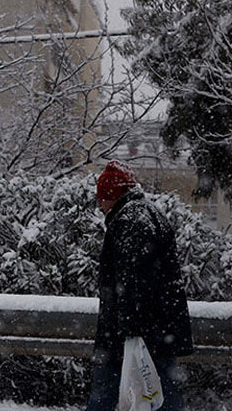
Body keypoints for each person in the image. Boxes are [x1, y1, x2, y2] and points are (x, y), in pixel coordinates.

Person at [86, 160, 194, 411]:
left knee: (106, 393)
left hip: (133, 333)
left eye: (102, 198)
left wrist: (131, 331)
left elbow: (134, 281)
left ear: (113, 195)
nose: (100, 205)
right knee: (163, 394)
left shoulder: (129, 220)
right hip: (158, 330)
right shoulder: (147, 213)